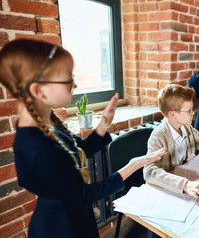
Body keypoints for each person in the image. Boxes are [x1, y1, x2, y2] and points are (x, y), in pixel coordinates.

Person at [0, 39, 167, 238]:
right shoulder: (36, 148)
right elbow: (86, 195)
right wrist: (134, 164)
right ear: (38, 90)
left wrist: (103, 124)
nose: (75, 84)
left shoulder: (48, 120)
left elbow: (80, 149)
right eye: (67, 79)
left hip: (74, 216)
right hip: (61, 228)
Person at [143, 84, 199, 198]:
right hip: (168, 189)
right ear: (173, 114)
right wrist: (184, 185)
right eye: (189, 110)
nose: (193, 113)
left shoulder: (186, 127)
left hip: (189, 180)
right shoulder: (158, 136)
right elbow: (150, 172)